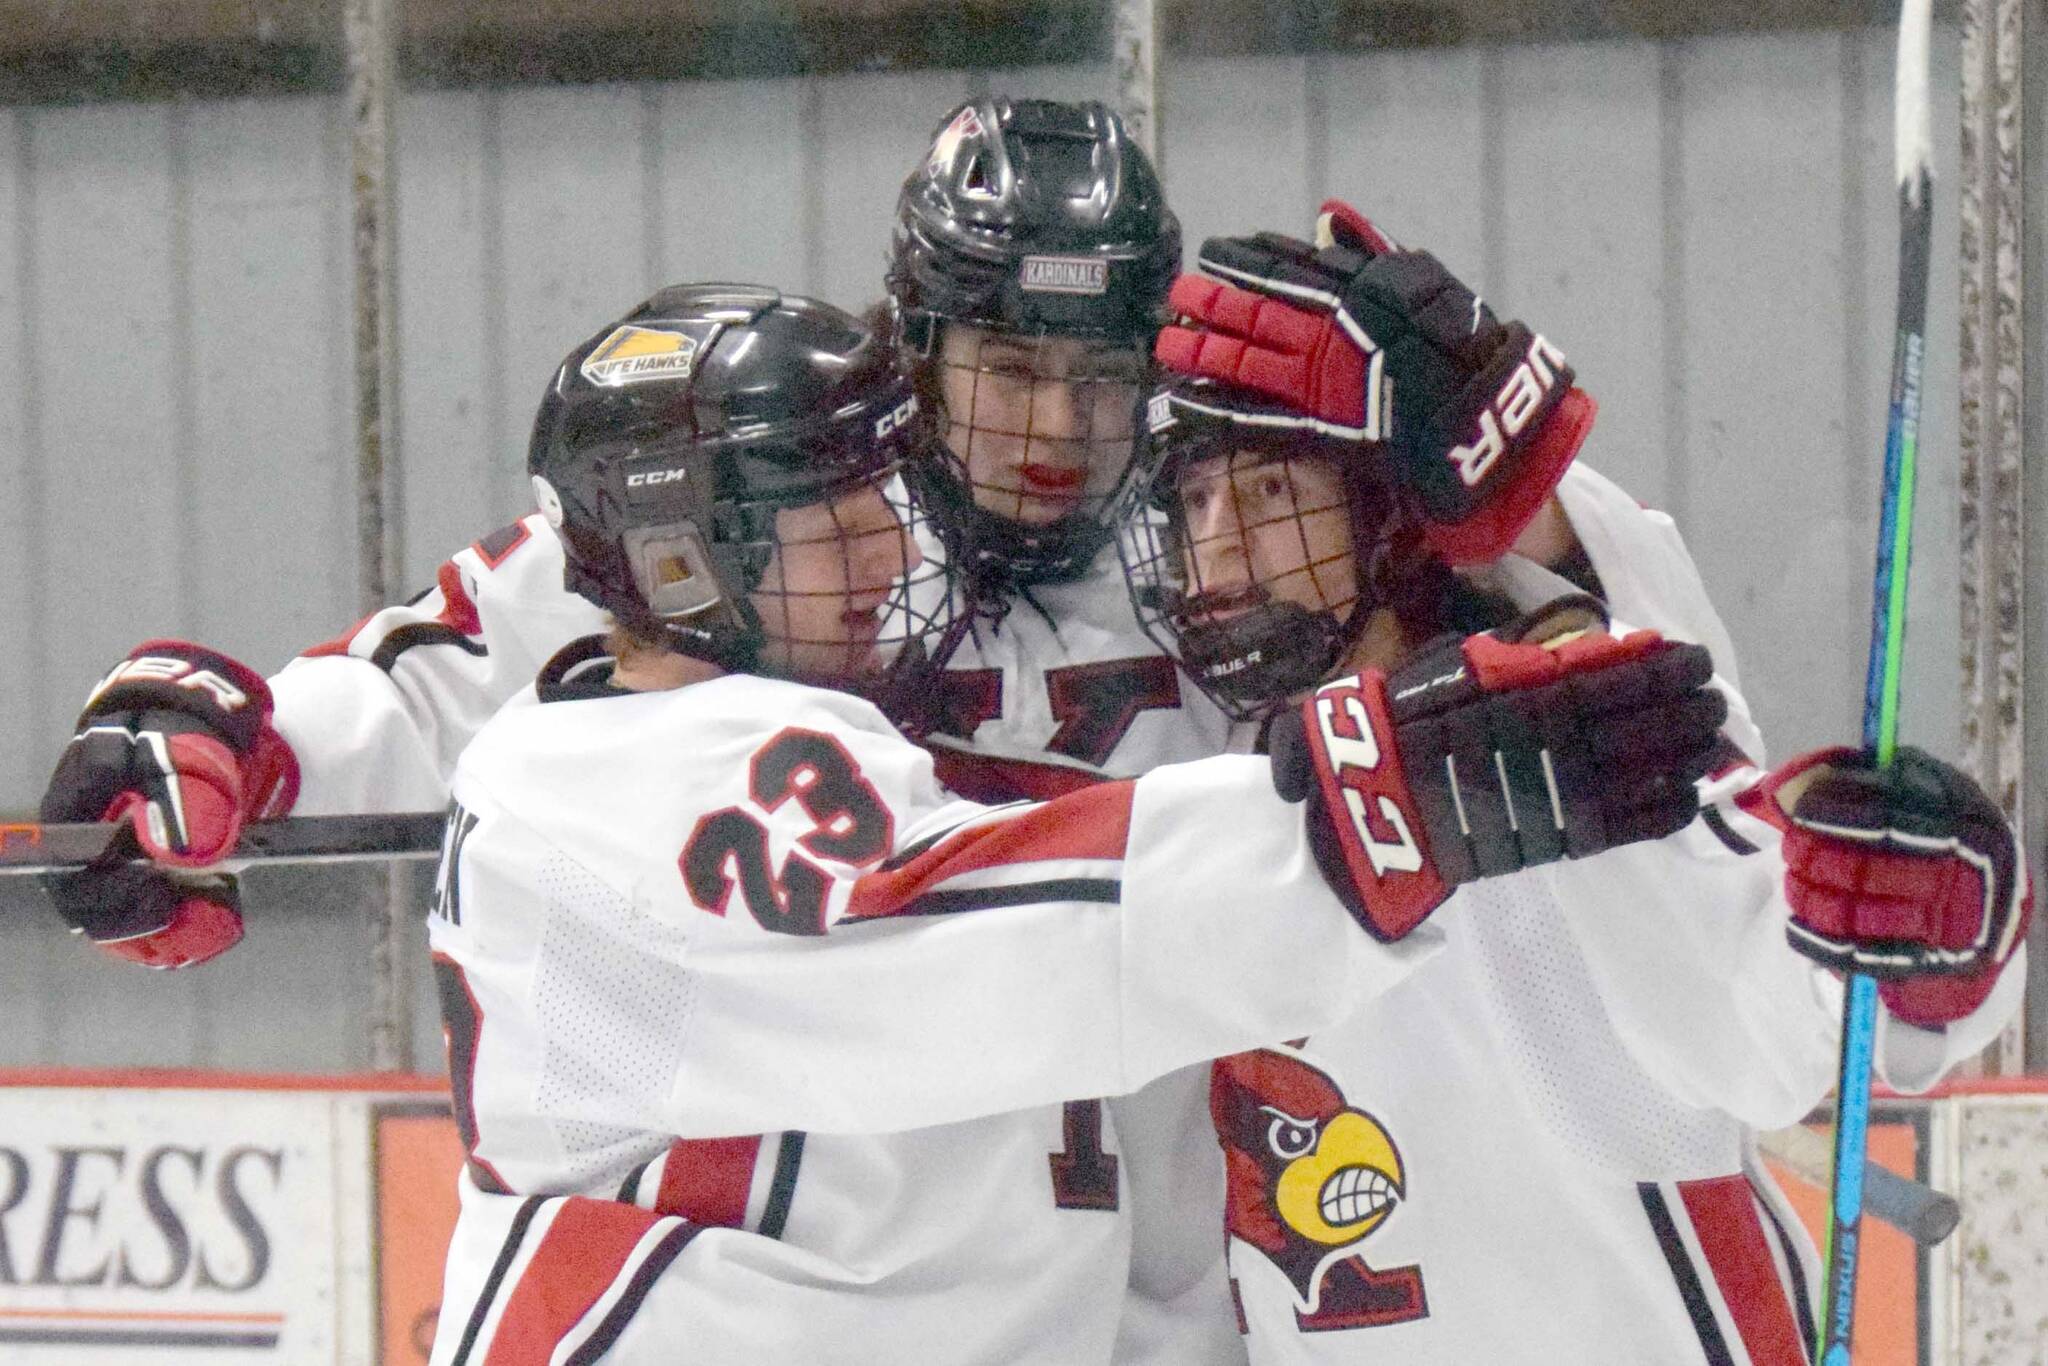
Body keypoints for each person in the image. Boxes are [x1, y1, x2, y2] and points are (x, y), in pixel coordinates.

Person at [423, 284, 1721, 1364]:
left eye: (887, 496)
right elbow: (993, 942)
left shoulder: (839, 760)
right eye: (840, 517)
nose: (892, 548)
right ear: (678, 562)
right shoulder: (613, 783)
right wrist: (1393, 807)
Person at [1128, 207, 2033, 1363]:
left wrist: (1920, 959)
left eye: (1264, 498)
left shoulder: (1563, 742)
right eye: (1194, 504)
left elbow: (1769, 1022)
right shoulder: (1206, 755)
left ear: (1382, 516)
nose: (1216, 561)